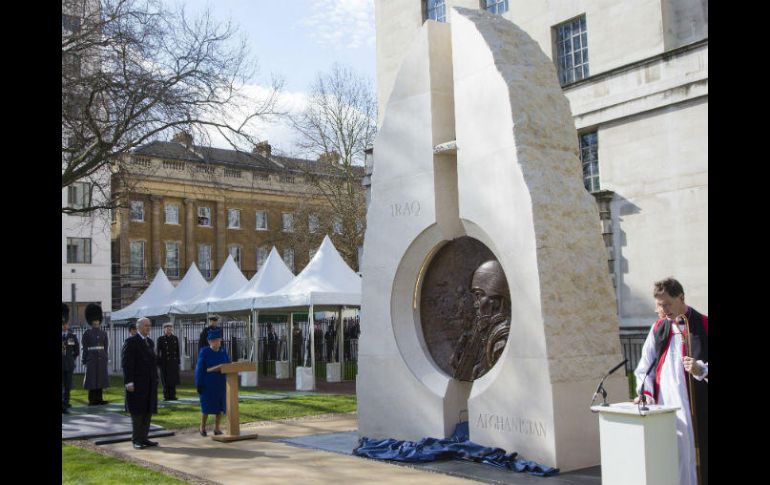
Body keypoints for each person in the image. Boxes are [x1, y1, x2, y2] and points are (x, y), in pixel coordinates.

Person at [634, 278, 708, 485]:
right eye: (658, 304)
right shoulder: (658, 328)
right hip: (664, 408)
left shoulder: (704, 325)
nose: (662, 309)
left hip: (697, 409)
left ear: (681, 298)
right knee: (671, 461)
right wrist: (645, 393)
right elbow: (644, 368)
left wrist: (701, 369)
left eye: (666, 304)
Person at [122, 317, 160, 450]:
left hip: (149, 383)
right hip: (136, 384)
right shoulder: (131, 342)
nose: (148, 328)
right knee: (137, 412)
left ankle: (144, 437)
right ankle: (136, 439)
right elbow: (127, 364)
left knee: (147, 411)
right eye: (145, 325)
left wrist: (155, 378)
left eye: (149, 325)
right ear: (138, 327)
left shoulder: (150, 342)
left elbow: (152, 363)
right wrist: (129, 382)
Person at [195, 328, 230, 436]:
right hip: (208, 384)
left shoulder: (223, 351)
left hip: (220, 384)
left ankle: (217, 428)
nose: (217, 342)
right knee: (206, 407)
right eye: (214, 340)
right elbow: (199, 369)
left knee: (219, 407)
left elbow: (228, 364)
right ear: (209, 341)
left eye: (218, 340)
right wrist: (199, 383)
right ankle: (202, 427)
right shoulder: (204, 352)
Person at [82, 303, 110, 405]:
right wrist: (84, 359)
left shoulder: (104, 333)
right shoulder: (87, 333)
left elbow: (106, 346)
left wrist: (106, 357)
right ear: (91, 321)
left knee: (101, 379)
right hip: (91, 358)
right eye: (94, 321)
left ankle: (99, 399)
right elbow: (85, 347)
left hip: (101, 358)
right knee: (92, 379)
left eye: (97, 321)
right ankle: (92, 399)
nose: (96, 323)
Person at [62, 303, 80, 413]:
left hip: (68, 365)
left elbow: (76, 350)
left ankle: (66, 403)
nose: (65, 326)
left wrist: (71, 359)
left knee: (67, 385)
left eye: (66, 324)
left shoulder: (71, 336)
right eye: (63, 324)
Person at [156, 322, 180, 401]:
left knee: (172, 379)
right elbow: (157, 351)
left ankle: (173, 395)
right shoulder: (161, 339)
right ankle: (166, 396)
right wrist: (158, 362)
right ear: (164, 330)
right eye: (167, 329)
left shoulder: (175, 338)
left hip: (173, 362)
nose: (169, 330)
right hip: (164, 362)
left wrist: (178, 361)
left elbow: (177, 350)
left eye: (170, 329)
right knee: (165, 380)